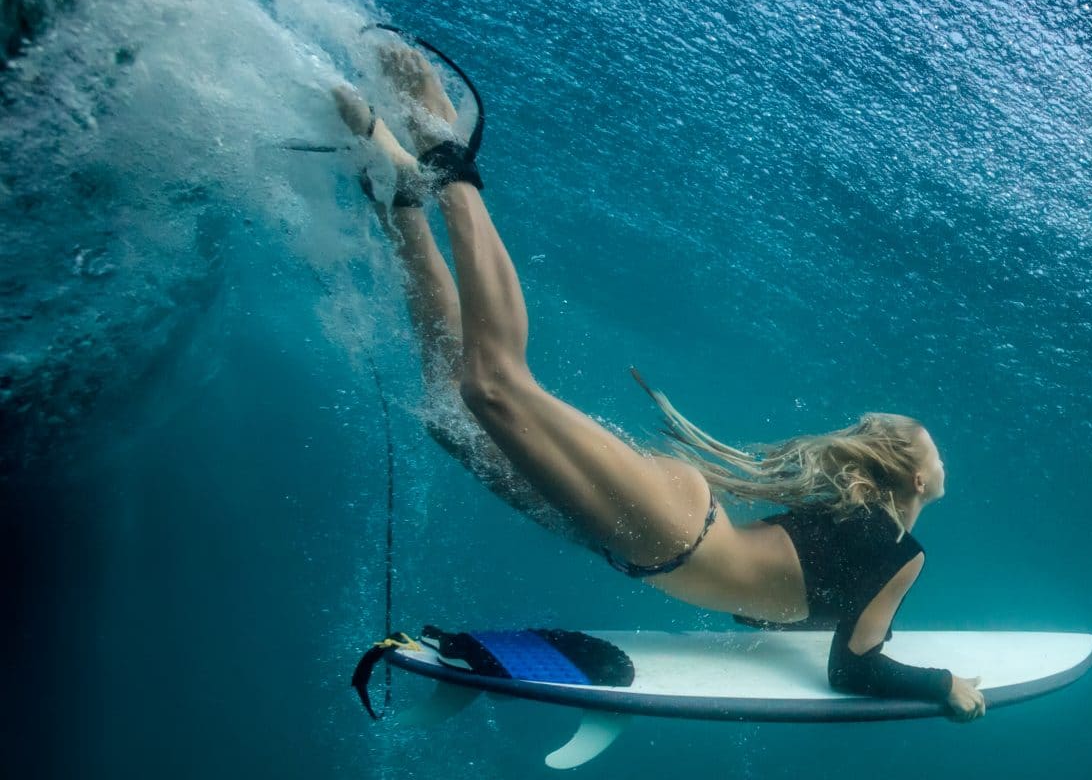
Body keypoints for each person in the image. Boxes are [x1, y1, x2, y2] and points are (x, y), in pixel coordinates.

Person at [333, 46, 985, 722]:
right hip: (671, 534)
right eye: (936, 452)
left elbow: (772, 603)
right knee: (492, 386)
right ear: (916, 478)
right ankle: (444, 147)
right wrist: (943, 686)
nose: (945, 463)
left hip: (653, 535)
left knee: (452, 415)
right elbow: (854, 668)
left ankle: (399, 200)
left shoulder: (855, 526)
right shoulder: (899, 553)